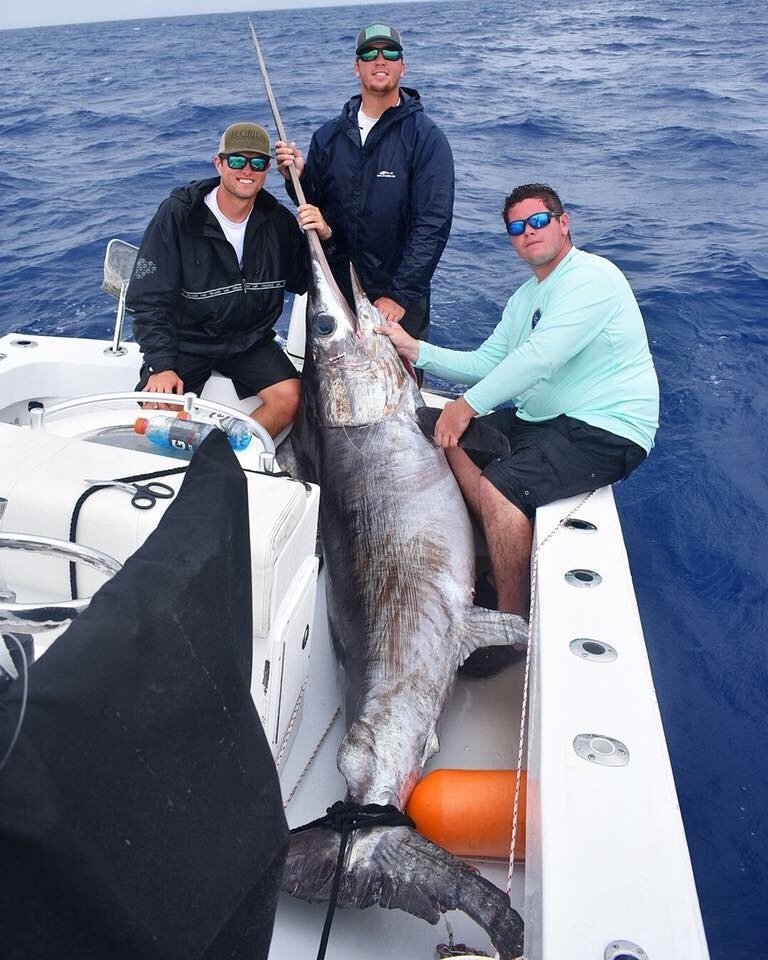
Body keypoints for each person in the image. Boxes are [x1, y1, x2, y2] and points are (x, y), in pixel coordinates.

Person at [377, 182, 659, 626]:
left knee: (498, 485)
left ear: (563, 224)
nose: (528, 231)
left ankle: (508, 623)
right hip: (543, 418)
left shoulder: (593, 277)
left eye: (538, 221)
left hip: (605, 429)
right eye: (516, 227)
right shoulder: (526, 296)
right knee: (444, 438)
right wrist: (414, 348)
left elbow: (541, 356)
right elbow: (487, 362)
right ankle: (498, 539)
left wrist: (465, 406)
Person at [127, 121, 331, 437]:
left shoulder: (278, 222)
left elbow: (306, 281)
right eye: (236, 160)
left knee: (292, 398)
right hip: (188, 341)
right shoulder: (178, 216)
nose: (246, 170)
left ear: (267, 170)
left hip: (249, 340)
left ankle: (229, 450)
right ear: (219, 163)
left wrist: (325, 238)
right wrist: (161, 364)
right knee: (157, 411)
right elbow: (147, 299)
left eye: (257, 162)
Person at [274, 22, 454, 343]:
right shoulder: (328, 136)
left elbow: (432, 225)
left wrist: (399, 295)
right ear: (356, 67)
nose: (380, 59)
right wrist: (296, 178)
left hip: (396, 303)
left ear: (403, 65)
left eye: (390, 53)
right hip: (335, 291)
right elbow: (314, 207)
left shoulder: (426, 138)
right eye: (369, 53)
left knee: (396, 389)